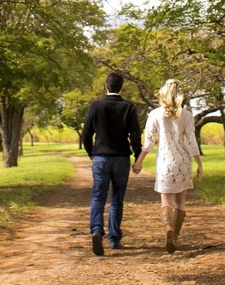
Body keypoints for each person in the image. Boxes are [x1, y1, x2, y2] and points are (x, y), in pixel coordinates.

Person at [133, 78, 203, 253]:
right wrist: (199, 164)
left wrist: (139, 161)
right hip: (183, 162)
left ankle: (168, 230)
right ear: (180, 95)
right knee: (181, 202)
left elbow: (149, 142)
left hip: (165, 163)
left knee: (166, 201)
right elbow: (192, 141)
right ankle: (176, 237)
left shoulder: (155, 114)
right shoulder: (186, 115)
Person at [80, 70, 142, 256]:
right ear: (122, 87)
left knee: (98, 196)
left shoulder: (96, 106)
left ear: (106, 86)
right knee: (117, 199)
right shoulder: (128, 107)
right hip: (121, 158)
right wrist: (137, 156)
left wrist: (91, 152)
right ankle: (114, 239)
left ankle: (96, 231)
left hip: (101, 157)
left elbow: (86, 135)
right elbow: (135, 136)